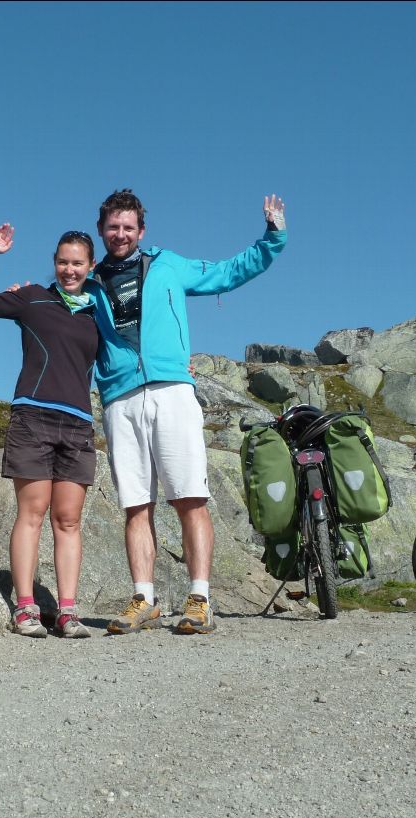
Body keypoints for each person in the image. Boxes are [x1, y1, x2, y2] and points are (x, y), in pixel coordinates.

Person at [87, 189, 287, 635]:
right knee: (135, 505)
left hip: (172, 390)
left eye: (128, 227)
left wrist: (272, 235)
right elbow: (60, 317)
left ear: (141, 231)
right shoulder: (91, 281)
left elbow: (228, 273)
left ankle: (200, 599)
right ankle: (144, 599)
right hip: (120, 398)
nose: (120, 234)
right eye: (113, 227)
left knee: (189, 497)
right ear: (102, 230)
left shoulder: (168, 265)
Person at [0, 224, 100, 638]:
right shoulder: (32, 298)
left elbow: (129, 351)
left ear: (90, 266)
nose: (69, 270)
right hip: (33, 418)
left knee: (69, 520)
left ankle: (67, 612)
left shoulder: (100, 314)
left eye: (77, 263)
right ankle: (26, 608)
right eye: (62, 262)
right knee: (33, 513)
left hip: (78, 425)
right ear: (54, 263)